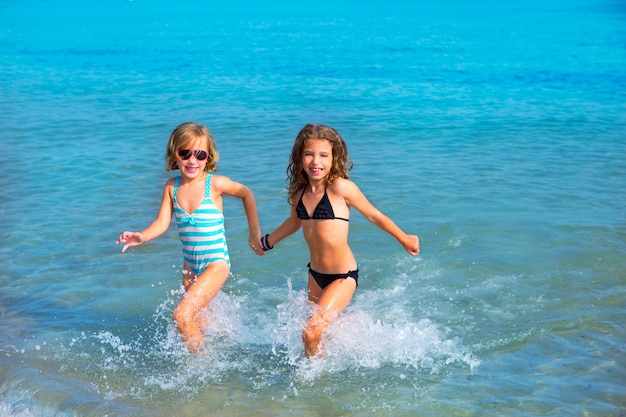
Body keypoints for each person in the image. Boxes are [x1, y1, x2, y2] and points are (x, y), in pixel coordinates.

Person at [258, 123, 420, 358]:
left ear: (334, 158)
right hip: (314, 275)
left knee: (310, 332)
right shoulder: (300, 194)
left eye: (324, 155)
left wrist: (403, 238)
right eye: (309, 154)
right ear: (299, 158)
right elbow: (294, 222)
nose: (316, 161)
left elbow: (373, 214)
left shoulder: (341, 188)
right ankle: (339, 339)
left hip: (343, 276)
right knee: (321, 332)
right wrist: (267, 242)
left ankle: (314, 377)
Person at [116, 122, 264, 352]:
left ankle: (202, 367)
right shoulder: (171, 187)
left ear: (209, 157)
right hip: (190, 267)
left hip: (216, 264)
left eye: (200, 154)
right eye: (185, 153)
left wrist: (254, 232)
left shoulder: (215, 184)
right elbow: (161, 223)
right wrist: (142, 237)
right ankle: (231, 345)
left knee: (181, 315)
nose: (192, 160)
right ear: (174, 155)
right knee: (200, 322)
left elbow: (247, 194)